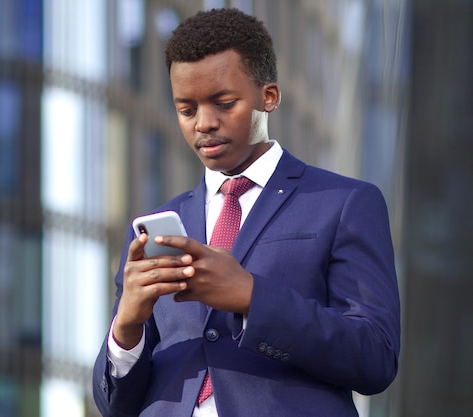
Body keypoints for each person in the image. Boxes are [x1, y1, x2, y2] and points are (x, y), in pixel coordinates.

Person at [93, 7, 400, 417]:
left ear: (268, 97)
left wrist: (253, 298)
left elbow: (375, 356)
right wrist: (126, 327)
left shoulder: (344, 203)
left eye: (224, 103)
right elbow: (115, 405)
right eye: (187, 109)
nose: (204, 123)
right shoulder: (151, 231)